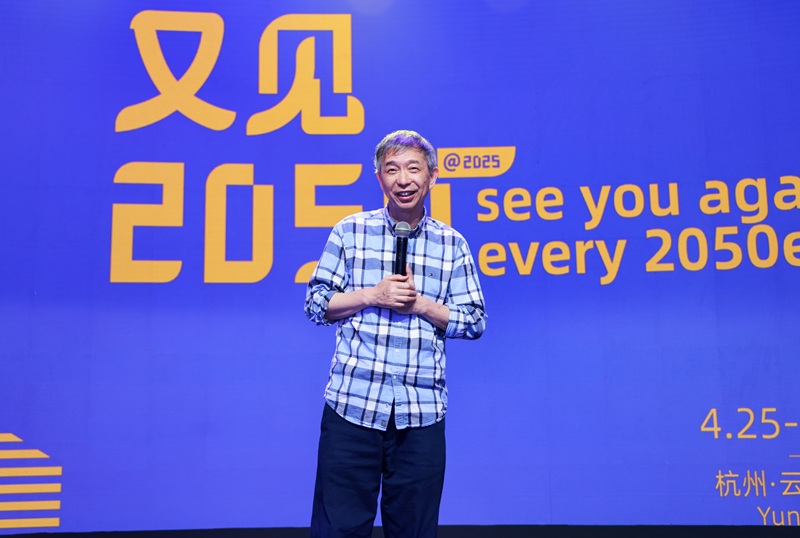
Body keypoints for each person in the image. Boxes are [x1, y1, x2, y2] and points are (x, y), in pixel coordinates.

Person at [304, 130, 487, 537]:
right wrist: (372, 295)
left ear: (432, 176)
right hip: (352, 407)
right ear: (379, 179)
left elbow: (474, 320)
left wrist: (420, 305)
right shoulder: (350, 231)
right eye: (392, 170)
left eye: (413, 169)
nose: (403, 180)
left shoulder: (452, 244)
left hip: (420, 413)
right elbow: (316, 303)